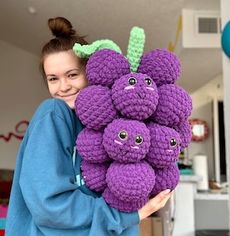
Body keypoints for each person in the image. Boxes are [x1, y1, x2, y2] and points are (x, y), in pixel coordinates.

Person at [5, 17, 172, 236]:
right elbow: (50, 206)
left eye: (72, 75)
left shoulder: (109, 125)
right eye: (53, 79)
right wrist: (127, 215)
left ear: (90, 73)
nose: (63, 87)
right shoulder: (54, 113)